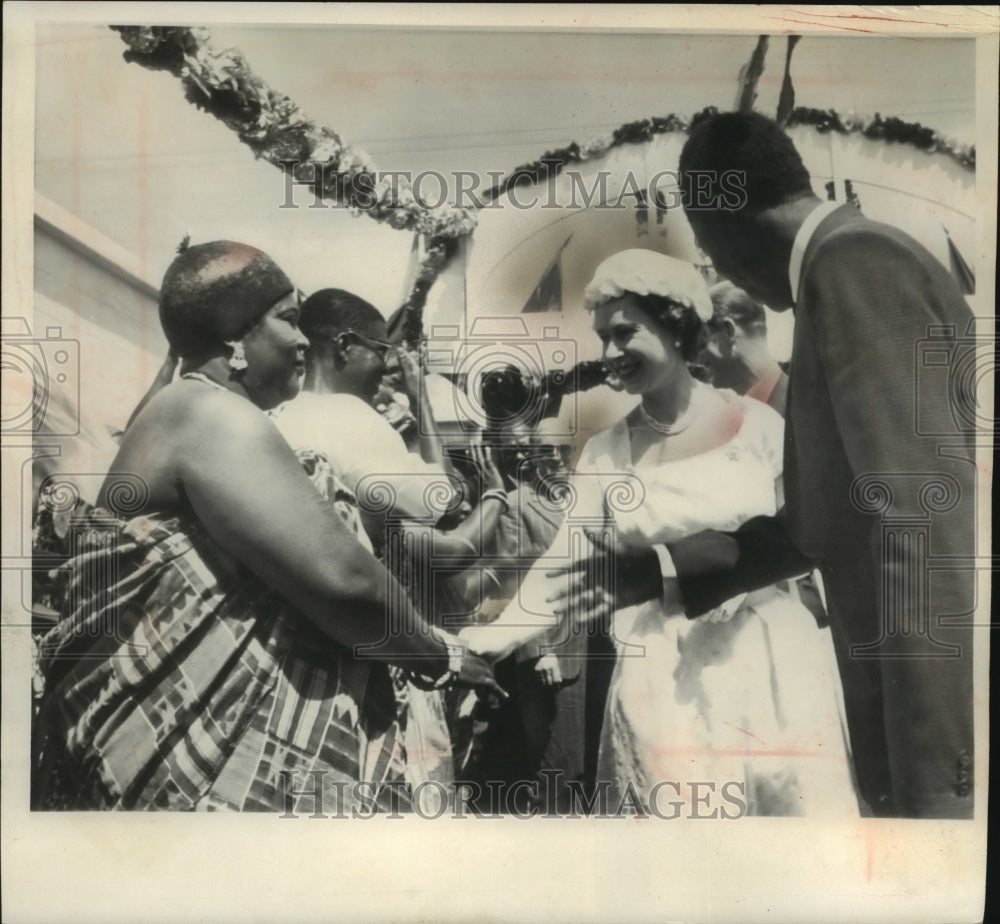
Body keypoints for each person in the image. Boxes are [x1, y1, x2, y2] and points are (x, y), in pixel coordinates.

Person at [553, 111, 977, 819]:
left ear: (720, 220)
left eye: (705, 243)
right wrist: (663, 572)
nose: (719, 268)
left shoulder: (854, 263)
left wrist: (937, 775)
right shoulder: (845, 265)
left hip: (928, 726)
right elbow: (823, 524)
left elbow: (919, 523)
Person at [31, 240, 502, 812]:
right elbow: (346, 581)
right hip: (193, 783)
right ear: (235, 338)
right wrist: (442, 657)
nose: (303, 339)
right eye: (288, 319)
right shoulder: (210, 415)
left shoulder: (183, 412)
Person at [462, 250, 858, 816]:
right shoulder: (606, 453)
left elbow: (805, 537)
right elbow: (564, 564)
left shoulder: (758, 427)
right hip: (665, 678)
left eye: (625, 333)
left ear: (676, 326)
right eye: (603, 338)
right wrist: (489, 639)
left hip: (771, 661)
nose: (609, 353)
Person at [703, 279, 788, 414]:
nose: (692, 357)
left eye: (700, 337)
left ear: (728, 331)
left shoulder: (803, 404)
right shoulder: (732, 413)